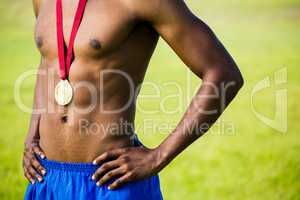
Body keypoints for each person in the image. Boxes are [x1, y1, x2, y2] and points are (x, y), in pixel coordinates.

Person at [23, 0, 244, 199]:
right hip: (46, 179)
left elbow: (223, 73)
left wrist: (158, 156)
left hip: (111, 182)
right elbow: (50, 63)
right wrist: (32, 133)